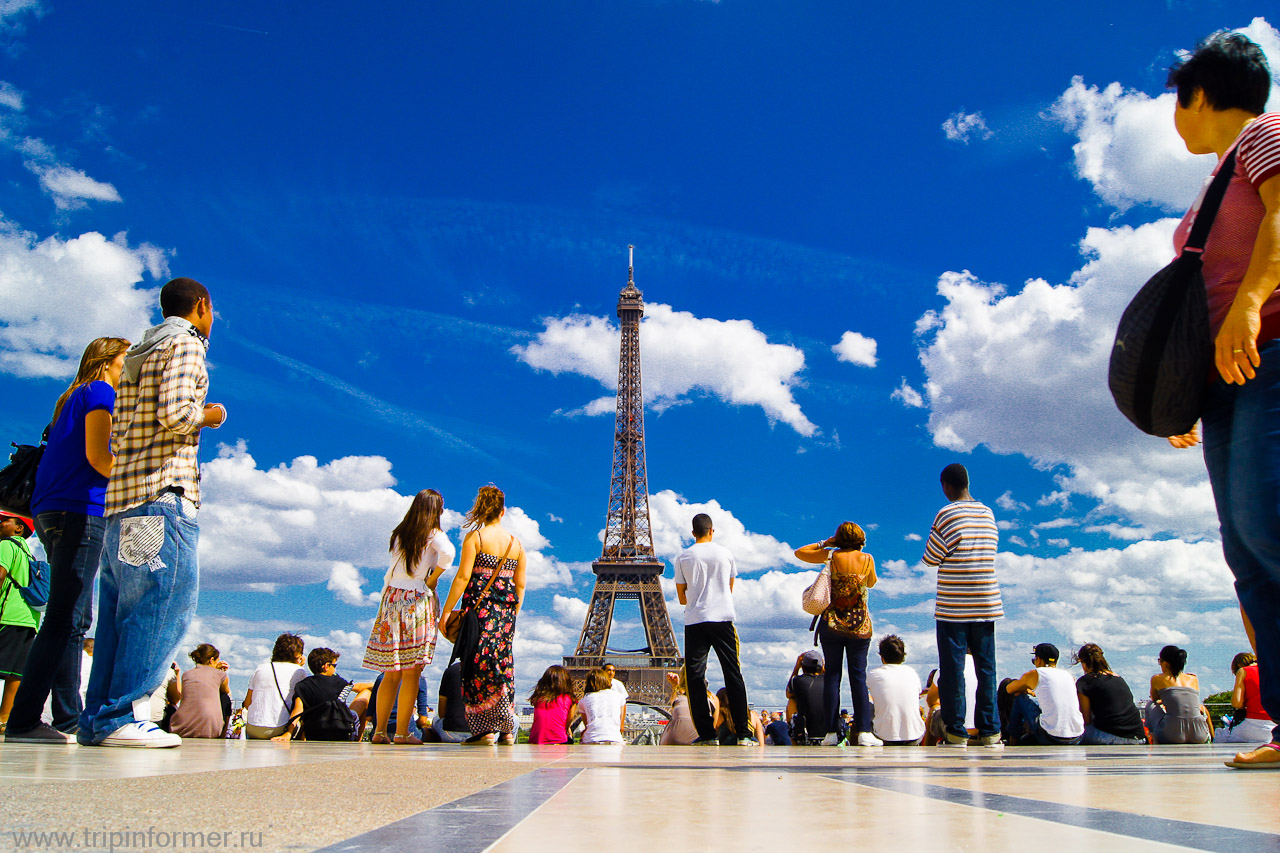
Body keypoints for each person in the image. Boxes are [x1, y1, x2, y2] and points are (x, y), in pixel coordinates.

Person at [1160, 32, 1280, 769]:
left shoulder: (1265, 134)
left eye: (1178, 101)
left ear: (1200, 94)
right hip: (1227, 379)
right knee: (1248, 552)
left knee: (1269, 529)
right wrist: (1181, 392)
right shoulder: (1217, 178)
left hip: (1270, 352)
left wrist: (1251, 304)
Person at [78, 278, 226, 748]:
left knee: (120, 614)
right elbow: (177, 414)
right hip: (163, 496)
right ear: (201, 306)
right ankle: (123, 715)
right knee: (162, 605)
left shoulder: (136, 356)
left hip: (123, 500)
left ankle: (98, 719)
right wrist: (211, 415)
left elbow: (119, 436)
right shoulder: (186, 344)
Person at [5, 338, 130, 745]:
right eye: (125, 360)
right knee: (66, 619)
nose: (128, 368)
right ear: (107, 362)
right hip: (81, 510)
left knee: (70, 618)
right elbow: (99, 457)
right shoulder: (102, 392)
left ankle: (65, 717)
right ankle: (30, 719)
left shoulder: (70, 397)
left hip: (49, 511)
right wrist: (136, 481)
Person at [362, 488, 454, 746]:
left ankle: (379, 731)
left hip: (392, 598)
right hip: (416, 599)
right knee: (412, 671)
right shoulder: (434, 534)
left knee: (390, 671)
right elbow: (448, 554)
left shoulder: (400, 533)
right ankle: (402, 732)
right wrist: (432, 579)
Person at [921, 463, 1003, 749]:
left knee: (953, 668)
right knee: (986, 668)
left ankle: (956, 731)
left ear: (945, 485)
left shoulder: (946, 513)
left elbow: (931, 557)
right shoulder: (987, 513)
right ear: (967, 482)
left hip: (953, 604)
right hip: (986, 601)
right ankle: (990, 730)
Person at [438, 485, 526, 746]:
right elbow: (520, 585)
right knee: (502, 666)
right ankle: (506, 729)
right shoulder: (516, 544)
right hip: (505, 614)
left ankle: (483, 730)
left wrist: (446, 611)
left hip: (478, 613)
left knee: (476, 666)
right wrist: (512, 615)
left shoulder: (475, 538)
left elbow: (463, 577)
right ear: (502, 511)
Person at [795, 522, 881, 747]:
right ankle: (864, 731)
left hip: (831, 623)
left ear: (839, 538)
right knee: (858, 677)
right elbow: (871, 582)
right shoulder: (867, 559)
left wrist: (826, 543)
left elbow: (800, 553)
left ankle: (831, 732)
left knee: (832, 676)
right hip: (859, 626)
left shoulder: (831, 556)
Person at [673, 513, 754, 746]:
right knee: (733, 673)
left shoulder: (683, 557)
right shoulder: (725, 554)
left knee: (695, 677)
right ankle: (743, 733)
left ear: (693, 533)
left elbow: (682, 597)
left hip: (695, 621)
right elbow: (729, 588)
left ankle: (707, 735)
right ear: (712, 531)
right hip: (723, 619)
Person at [0, 512, 39, 734]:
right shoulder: (28, 553)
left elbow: (0, 575)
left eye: (4, 520)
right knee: (15, 674)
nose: (0, 523)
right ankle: (4, 721)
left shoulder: (6, 545)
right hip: (29, 619)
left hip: (8, 615)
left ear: (19, 528)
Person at [1004, 643, 1084, 746]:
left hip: (1051, 737)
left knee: (1020, 698)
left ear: (1039, 660)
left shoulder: (1036, 673)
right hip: (1076, 737)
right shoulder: (1068, 675)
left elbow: (1009, 689)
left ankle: (1012, 740)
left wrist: (1025, 688)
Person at [1073, 644, 1146, 746]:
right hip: (1138, 738)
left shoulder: (1085, 682)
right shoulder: (1118, 678)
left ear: (1083, 662)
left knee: (1075, 735)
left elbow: (1086, 720)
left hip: (1110, 737)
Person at [242, 633, 307, 740]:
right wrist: (299, 666)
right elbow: (301, 705)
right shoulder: (299, 672)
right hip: (280, 728)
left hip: (254, 727)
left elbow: (247, 703)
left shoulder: (260, 668)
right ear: (298, 655)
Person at [287, 648, 358, 742]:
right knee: (355, 713)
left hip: (314, 733)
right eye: (334, 666)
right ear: (326, 666)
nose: (335, 670)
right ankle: (358, 740)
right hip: (339, 731)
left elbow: (297, 710)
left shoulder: (302, 685)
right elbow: (356, 687)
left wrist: (288, 733)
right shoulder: (337, 682)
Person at [1146, 645, 1213, 745]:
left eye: (1160, 661)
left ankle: (1153, 739)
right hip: (1199, 734)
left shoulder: (1157, 678)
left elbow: (1154, 698)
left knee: (1150, 704)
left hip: (1172, 734)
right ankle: (1210, 737)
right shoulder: (1193, 678)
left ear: (1166, 663)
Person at [866, 635, 925, 746]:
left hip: (883, 737)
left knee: (865, 704)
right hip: (914, 736)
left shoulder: (874, 674)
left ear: (882, 656)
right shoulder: (912, 672)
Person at [168, 644, 230, 740]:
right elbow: (226, 691)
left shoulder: (186, 674)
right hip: (209, 729)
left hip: (181, 726)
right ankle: (222, 738)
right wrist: (219, 670)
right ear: (211, 660)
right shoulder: (221, 675)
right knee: (225, 698)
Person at [1216, 653, 1273, 744]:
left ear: (1238, 665)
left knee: (1220, 735)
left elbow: (1236, 703)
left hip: (1254, 725)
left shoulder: (1243, 671)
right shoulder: (1273, 669)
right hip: (1275, 727)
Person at [366, 672, 430, 742]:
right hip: (409, 731)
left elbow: (369, 717)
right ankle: (403, 734)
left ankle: (380, 733)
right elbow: (423, 720)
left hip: (378, 733)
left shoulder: (381, 678)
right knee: (428, 732)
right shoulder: (419, 679)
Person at [660, 668, 715, 746]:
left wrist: (675, 685)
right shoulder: (713, 698)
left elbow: (675, 711)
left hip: (672, 740)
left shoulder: (678, 695)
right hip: (698, 741)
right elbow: (713, 727)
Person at [528, 665, 577, 745]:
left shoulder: (538, 698)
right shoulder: (570, 699)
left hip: (536, 740)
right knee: (569, 740)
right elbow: (566, 724)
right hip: (559, 740)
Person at [785, 650, 827, 744]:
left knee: (791, 700)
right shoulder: (830, 681)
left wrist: (796, 668)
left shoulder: (797, 680)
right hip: (828, 733)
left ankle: (795, 744)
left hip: (806, 735)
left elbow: (788, 694)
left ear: (803, 666)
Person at [578, 668, 625, 744]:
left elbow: (588, 725)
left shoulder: (583, 701)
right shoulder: (620, 697)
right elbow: (621, 727)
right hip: (615, 739)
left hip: (592, 740)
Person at [429, 661, 471, 743]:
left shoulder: (451, 670)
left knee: (435, 719)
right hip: (479, 735)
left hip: (451, 734)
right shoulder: (486, 669)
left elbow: (441, 713)